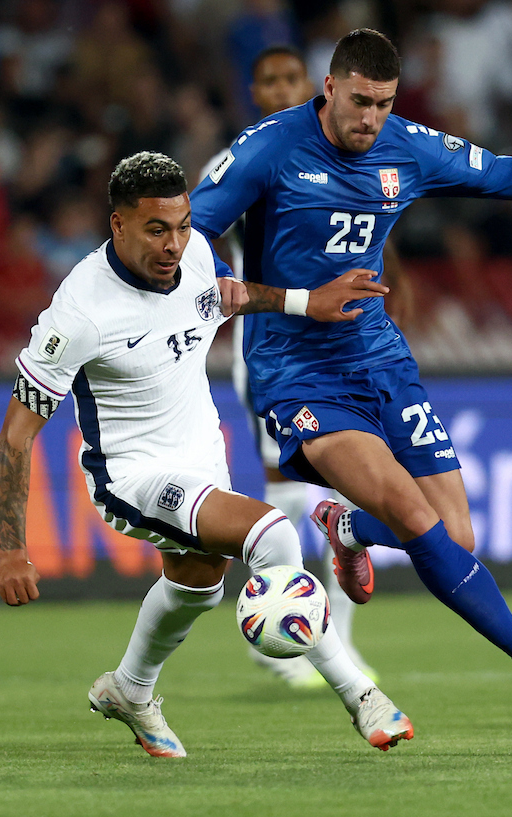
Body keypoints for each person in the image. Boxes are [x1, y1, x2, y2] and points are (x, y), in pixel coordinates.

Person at [191, 28, 512, 730]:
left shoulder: (407, 147)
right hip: (297, 373)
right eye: (359, 101)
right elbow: (193, 231)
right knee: (417, 517)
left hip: (379, 357)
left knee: (456, 532)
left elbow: (505, 174)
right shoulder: (269, 147)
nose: (370, 118)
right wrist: (261, 292)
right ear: (329, 88)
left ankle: (346, 527)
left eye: (383, 104)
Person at [0, 151, 414, 756]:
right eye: (156, 230)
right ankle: (361, 696)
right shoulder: (80, 312)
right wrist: (13, 549)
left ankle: (130, 689)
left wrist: (305, 301)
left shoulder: (191, 254)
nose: (174, 244)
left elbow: (225, 296)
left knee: (198, 583)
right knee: (273, 534)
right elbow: (16, 436)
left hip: (201, 459)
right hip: (131, 476)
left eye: (183, 225)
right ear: (118, 225)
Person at [201, 44, 403, 689]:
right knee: (284, 484)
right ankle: (280, 637)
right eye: (270, 80)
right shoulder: (249, 156)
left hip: (347, 345)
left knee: (350, 493)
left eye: (292, 77)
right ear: (255, 91)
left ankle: (339, 641)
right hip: (275, 348)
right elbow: (200, 242)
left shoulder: (355, 153)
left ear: (316, 84)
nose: (282, 88)